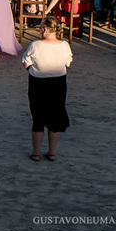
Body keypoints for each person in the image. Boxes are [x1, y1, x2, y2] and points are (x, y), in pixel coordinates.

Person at [20, 16, 73, 162]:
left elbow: (26, 63)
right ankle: (52, 152)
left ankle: (36, 153)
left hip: (38, 83)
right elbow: (68, 62)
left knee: (38, 118)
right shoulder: (65, 45)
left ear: (44, 29)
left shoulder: (35, 45)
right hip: (58, 83)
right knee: (56, 117)